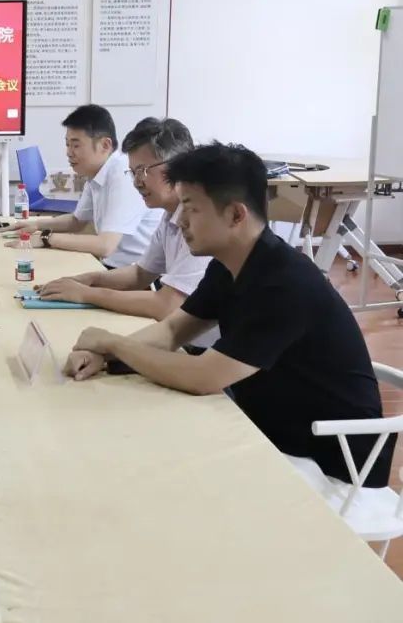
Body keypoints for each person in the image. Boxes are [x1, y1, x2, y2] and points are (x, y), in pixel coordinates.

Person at [64, 143, 394, 487]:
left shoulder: (285, 283)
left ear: (236, 215)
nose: (181, 220)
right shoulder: (230, 264)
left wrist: (113, 344)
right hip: (272, 431)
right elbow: (172, 331)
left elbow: (203, 377)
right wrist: (103, 355)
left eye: (191, 208)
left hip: (333, 464)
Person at [35, 118, 215, 349]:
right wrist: (87, 280)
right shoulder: (170, 214)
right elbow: (140, 274)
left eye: (143, 171)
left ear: (178, 166)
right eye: (133, 172)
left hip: (204, 349)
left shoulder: (202, 221)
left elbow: (167, 305)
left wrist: (86, 294)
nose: (137, 182)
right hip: (179, 337)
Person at [9, 105, 162, 267]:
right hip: (116, 267)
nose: (69, 152)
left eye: (76, 145)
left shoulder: (123, 174)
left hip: (138, 273)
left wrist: (45, 238)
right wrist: (36, 225)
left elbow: (105, 246)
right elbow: (77, 221)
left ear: (105, 145)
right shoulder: (97, 171)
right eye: (67, 144)